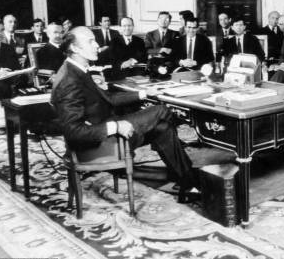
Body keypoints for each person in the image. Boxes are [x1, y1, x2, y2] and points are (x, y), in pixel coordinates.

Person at [51, 27, 198, 202]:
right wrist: (116, 126)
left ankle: (188, 182)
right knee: (161, 110)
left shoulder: (77, 69)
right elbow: (74, 133)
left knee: (163, 128)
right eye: (90, 41)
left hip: (107, 130)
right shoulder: (69, 79)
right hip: (100, 144)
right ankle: (191, 165)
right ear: (75, 48)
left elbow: (108, 99)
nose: (97, 45)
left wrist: (144, 94)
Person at [0, 18, 20, 100]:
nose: (0, 33)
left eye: (2, 30)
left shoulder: (9, 48)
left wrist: (17, 73)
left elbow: (17, 68)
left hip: (8, 94)